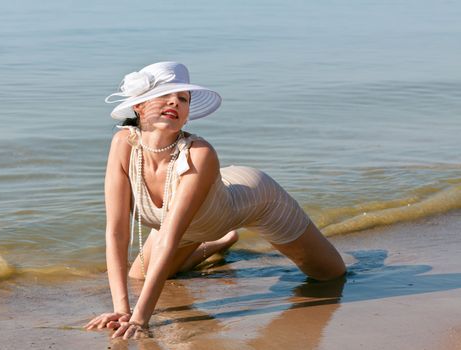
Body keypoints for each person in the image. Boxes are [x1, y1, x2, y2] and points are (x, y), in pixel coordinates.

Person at [84, 62, 346, 339]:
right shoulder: (123, 144)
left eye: (183, 98)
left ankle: (217, 237)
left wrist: (140, 319)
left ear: (186, 116)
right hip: (190, 225)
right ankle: (219, 243)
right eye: (165, 95)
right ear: (139, 106)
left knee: (329, 275)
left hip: (252, 200)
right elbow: (116, 231)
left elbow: (168, 238)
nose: (175, 101)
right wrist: (122, 310)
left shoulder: (200, 154)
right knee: (139, 276)